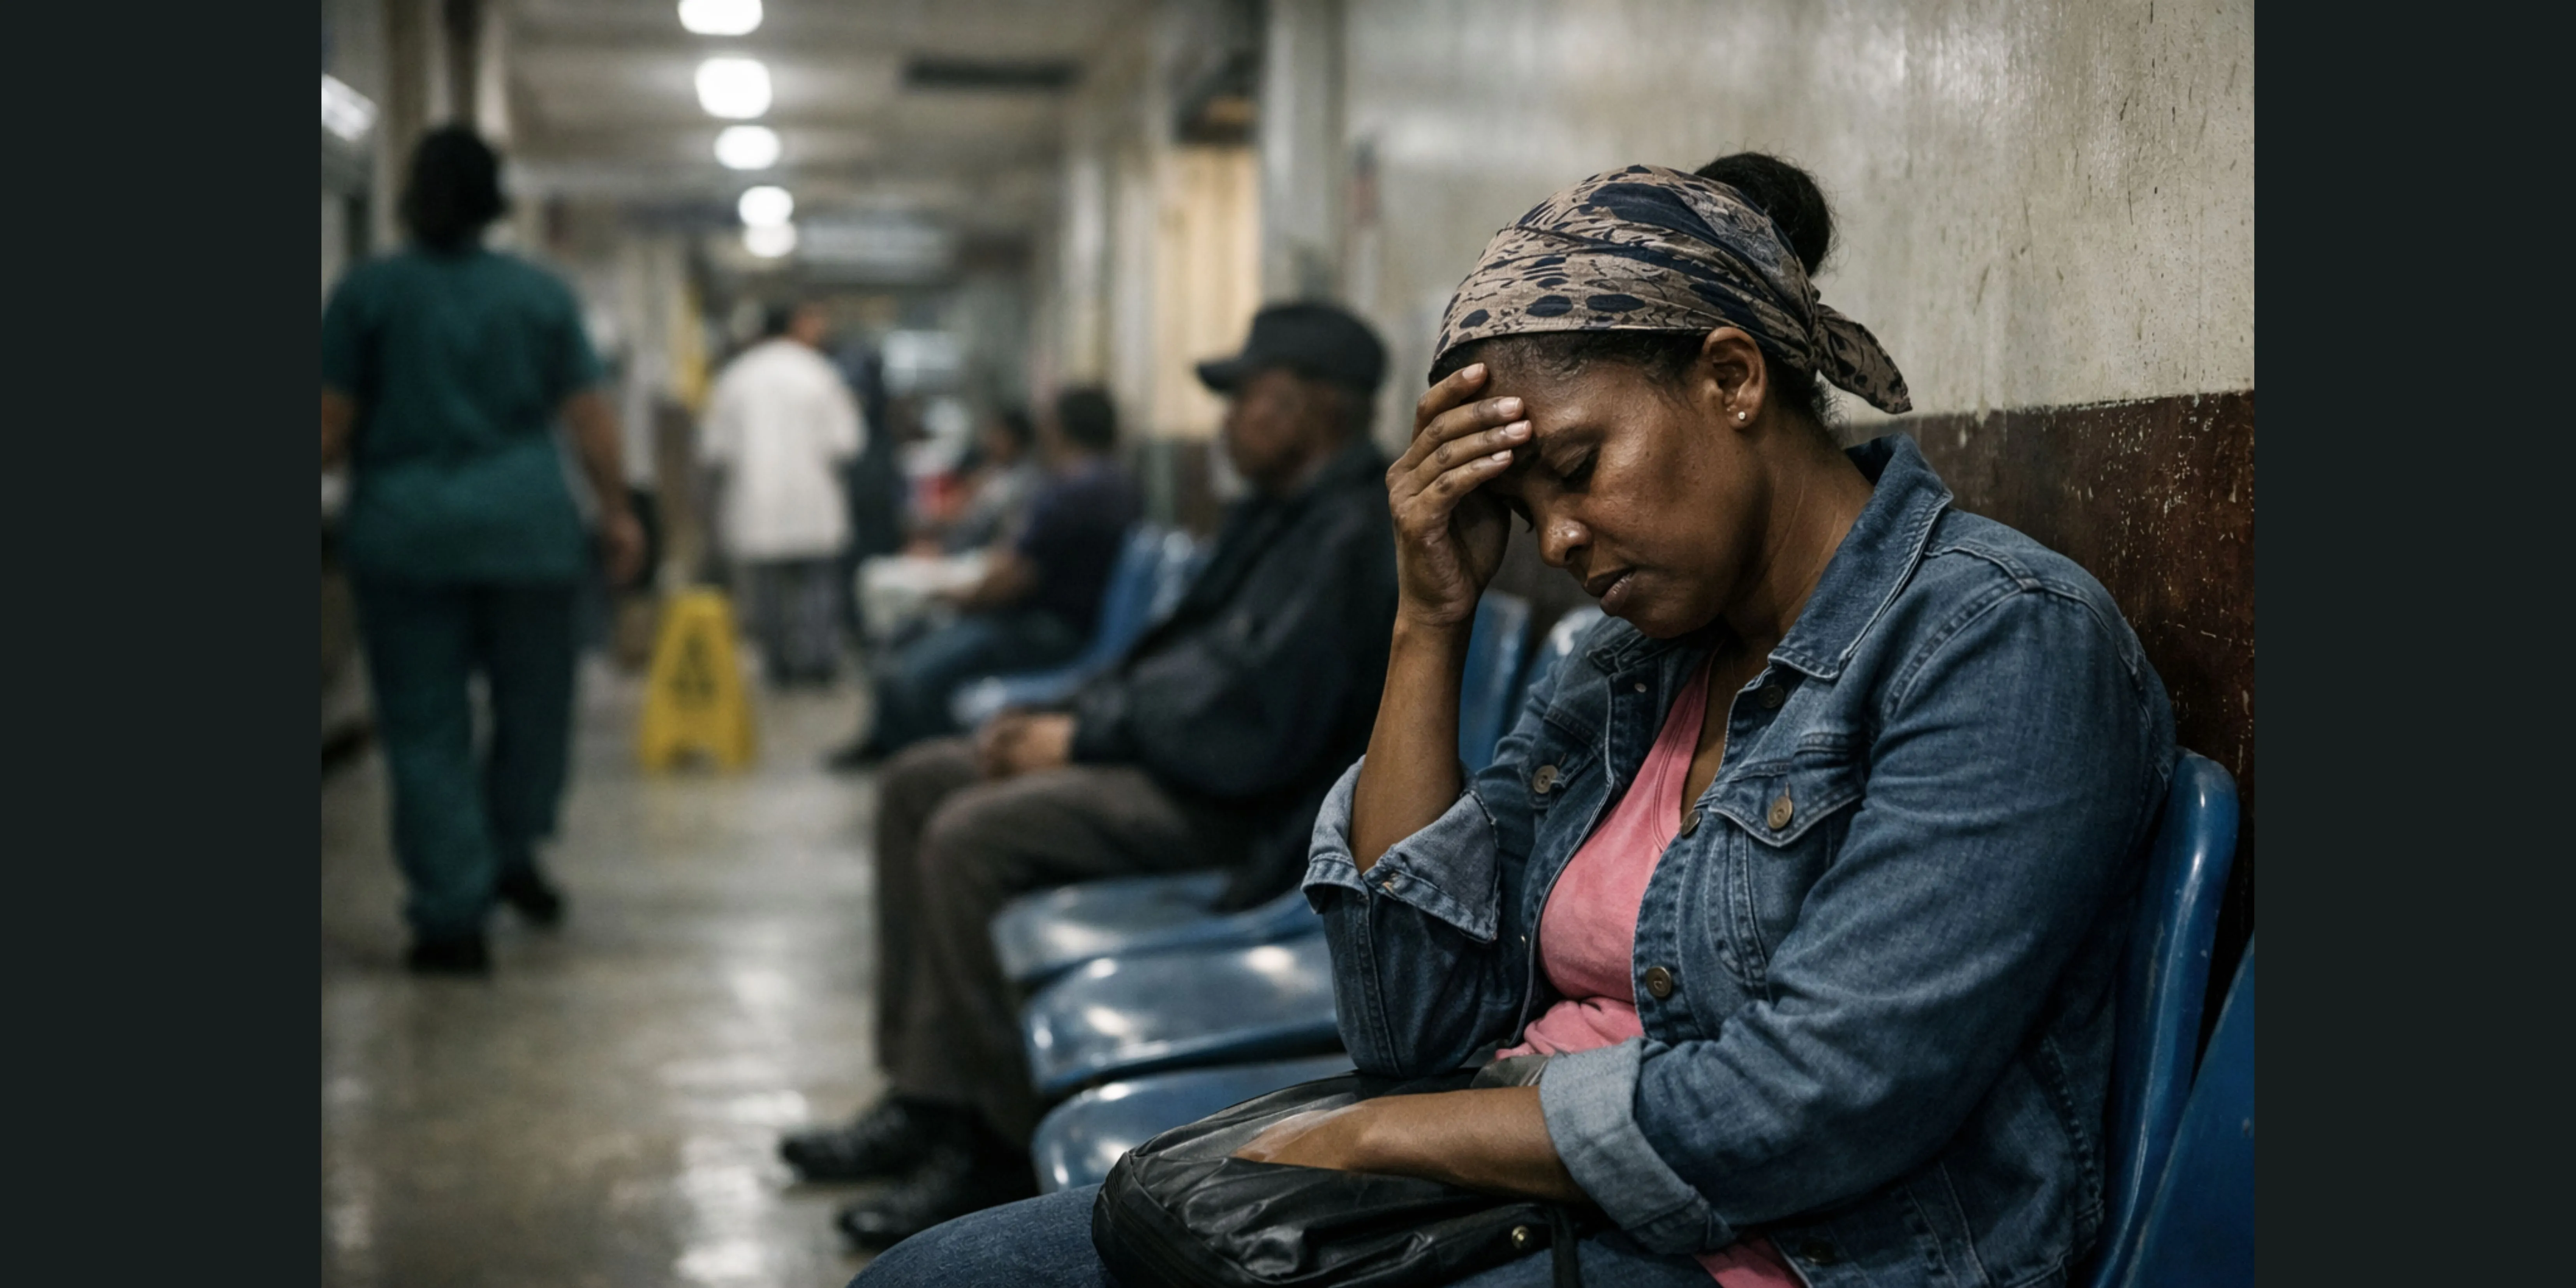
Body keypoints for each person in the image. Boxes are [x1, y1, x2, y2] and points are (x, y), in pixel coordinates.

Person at [854, 159, 2177, 1288]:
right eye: (1521, 498)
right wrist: (1425, 616)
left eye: (1578, 467)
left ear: (1729, 378)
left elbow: (1804, 1107)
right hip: (1520, 1187)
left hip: (1782, 1252)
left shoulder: (1997, 641)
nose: (1554, 536)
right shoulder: (1628, 664)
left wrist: (1385, 1137)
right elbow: (1407, 1021)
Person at [786, 303, 1402, 1248]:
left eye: (1242, 401)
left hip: (1247, 812)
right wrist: (1067, 718)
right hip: (1179, 766)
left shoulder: (1354, 536)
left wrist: (1080, 742)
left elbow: (1252, 726)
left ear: (1305, 408)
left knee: (970, 834)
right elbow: (1175, 667)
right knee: (918, 780)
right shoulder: (1279, 518)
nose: (1226, 424)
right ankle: (926, 1094)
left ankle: (989, 1140)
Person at [319, 126, 646, 975]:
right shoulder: (538, 296)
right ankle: (513, 851)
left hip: (405, 535)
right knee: (535, 708)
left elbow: (328, 423)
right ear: (497, 199)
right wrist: (617, 512)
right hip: (527, 534)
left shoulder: (369, 294)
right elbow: (589, 419)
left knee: (425, 726)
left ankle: (450, 915)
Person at [826, 388, 1140, 764]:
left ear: (1057, 429)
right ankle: (893, 748)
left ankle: (937, 767)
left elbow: (1013, 576)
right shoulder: (1119, 484)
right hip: (1068, 621)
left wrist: (956, 598)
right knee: (910, 641)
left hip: (1049, 630)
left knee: (914, 674)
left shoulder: (1071, 493)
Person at [702, 300, 867, 687]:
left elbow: (712, 449)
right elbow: (847, 443)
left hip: (756, 506)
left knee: (768, 596)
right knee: (817, 589)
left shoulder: (736, 377)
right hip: (814, 504)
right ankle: (818, 665)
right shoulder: (819, 373)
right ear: (797, 325)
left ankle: (780, 668)